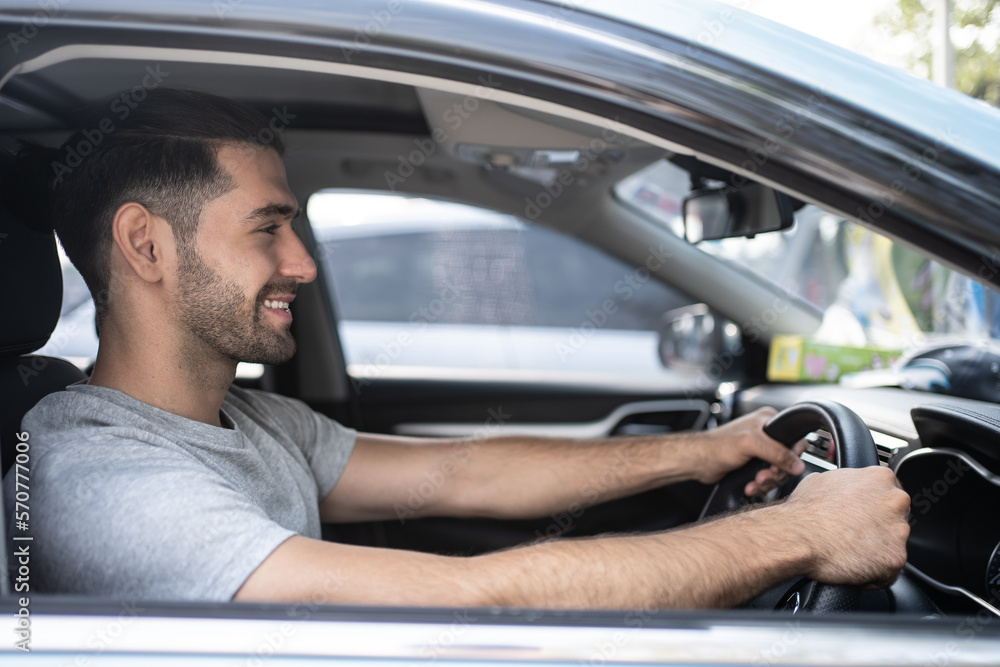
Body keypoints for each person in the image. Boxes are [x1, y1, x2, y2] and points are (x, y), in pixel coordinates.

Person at [2, 88, 910, 608]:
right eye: (269, 228)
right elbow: (470, 601)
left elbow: (470, 474)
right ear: (146, 245)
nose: (303, 263)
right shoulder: (94, 475)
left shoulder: (249, 419)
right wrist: (798, 532)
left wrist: (705, 449)